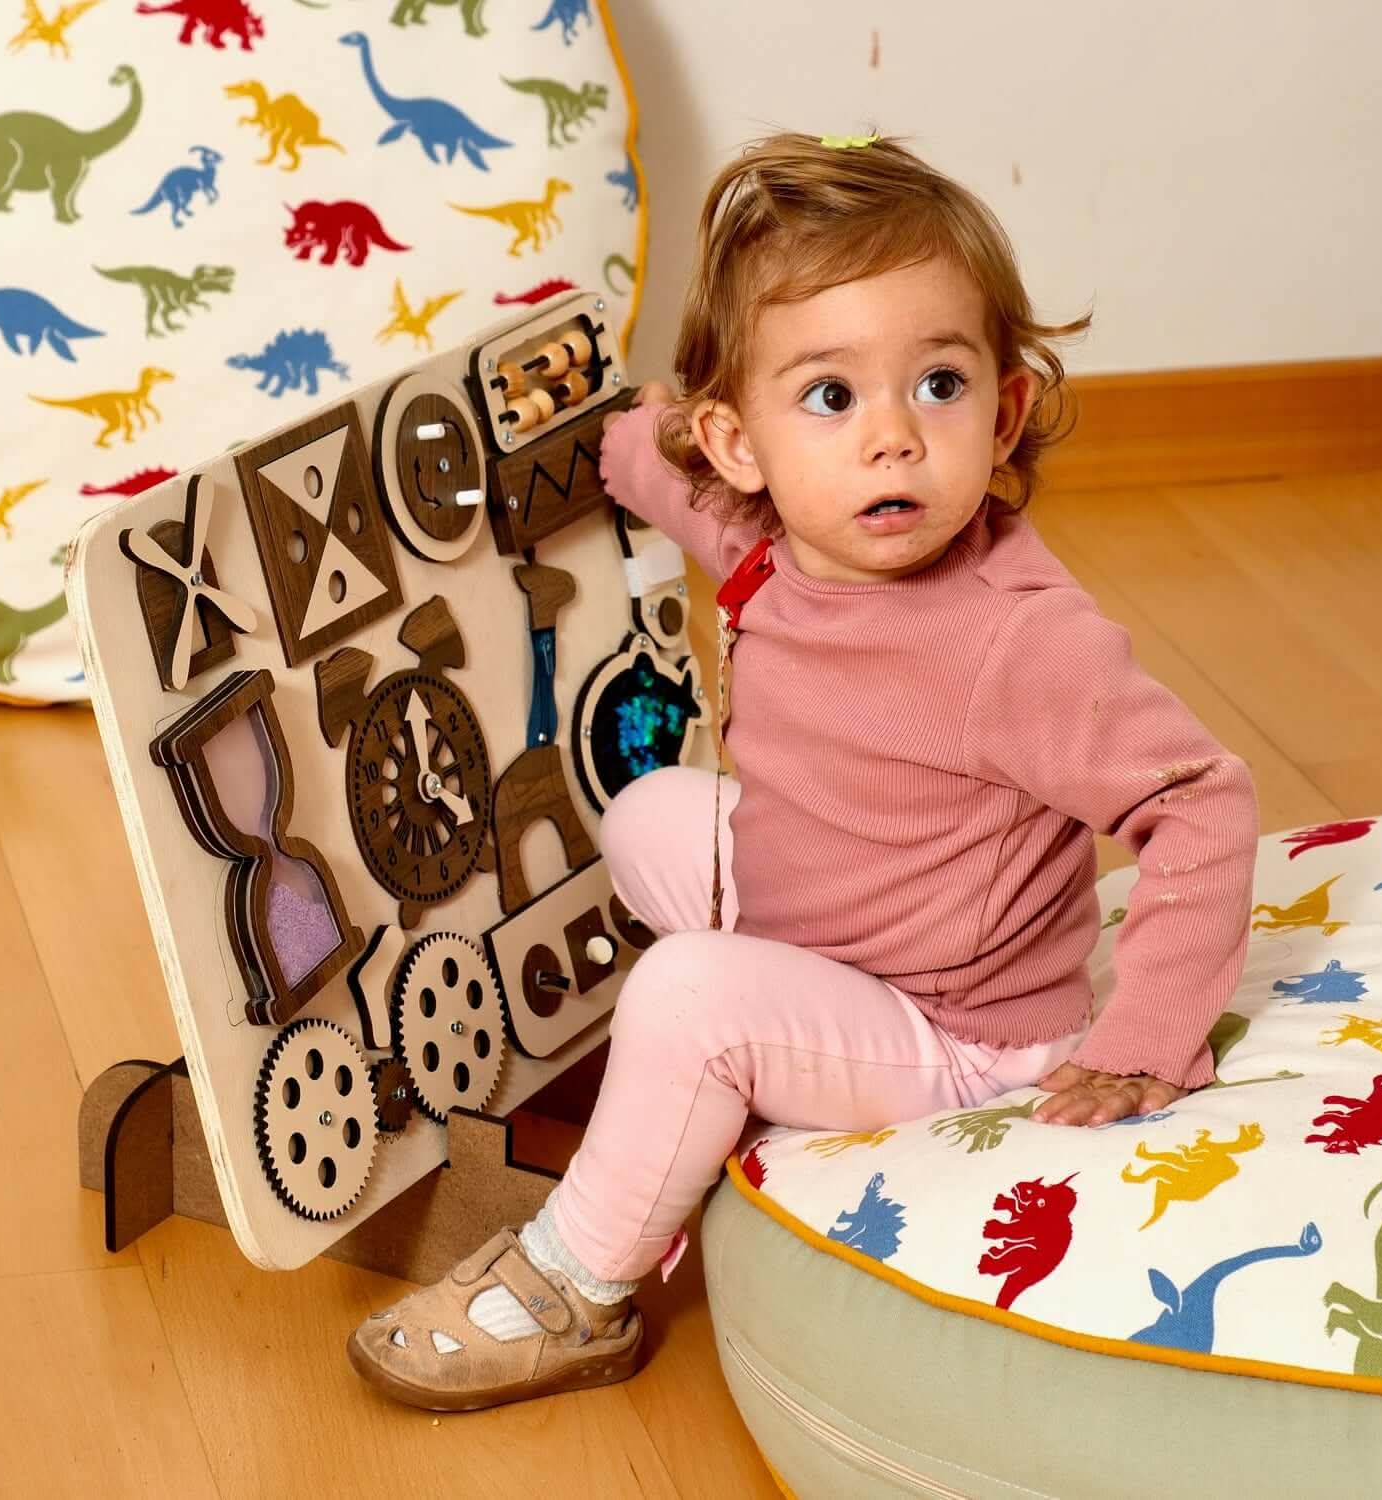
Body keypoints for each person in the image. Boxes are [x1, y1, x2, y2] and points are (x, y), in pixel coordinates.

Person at [348, 130, 1259, 1413]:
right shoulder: (777, 539)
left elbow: (1199, 802)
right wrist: (597, 436)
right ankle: (716, 1060)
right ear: (740, 443)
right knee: (654, 809)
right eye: (829, 399)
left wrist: (1143, 1043)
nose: (890, 440)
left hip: (957, 1032)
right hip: (822, 924)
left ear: (1002, 411)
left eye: (936, 386)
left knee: (684, 998)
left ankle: (580, 1284)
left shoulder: (1017, 642)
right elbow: (671, 484)